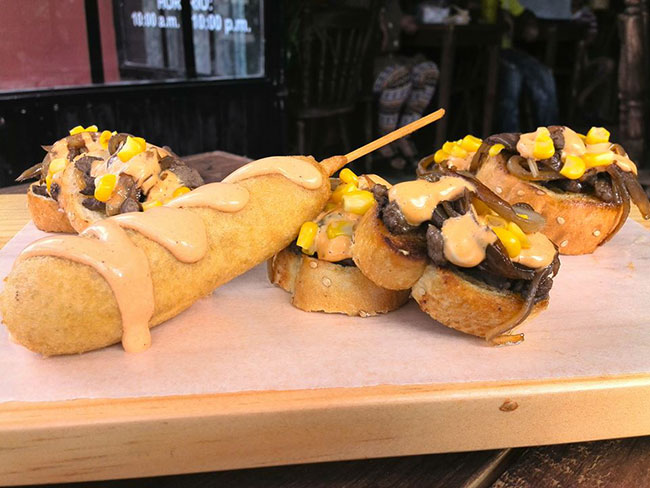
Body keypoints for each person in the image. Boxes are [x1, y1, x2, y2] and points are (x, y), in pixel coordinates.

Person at [373, 0, 439, 170]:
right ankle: (385, 141)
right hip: (363, 66)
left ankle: (404, 134)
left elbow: (395, 19)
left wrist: (401, 21)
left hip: (392, 59)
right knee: (399, 76)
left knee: (428, 71)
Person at [496, 0, 560, 133]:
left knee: (543, 73)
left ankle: (551, 135)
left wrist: (529, 24)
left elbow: (524, 14)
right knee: (512, 76)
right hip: (481, 51)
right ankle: (510, 138)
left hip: (506, 51)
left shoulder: (505, 2)